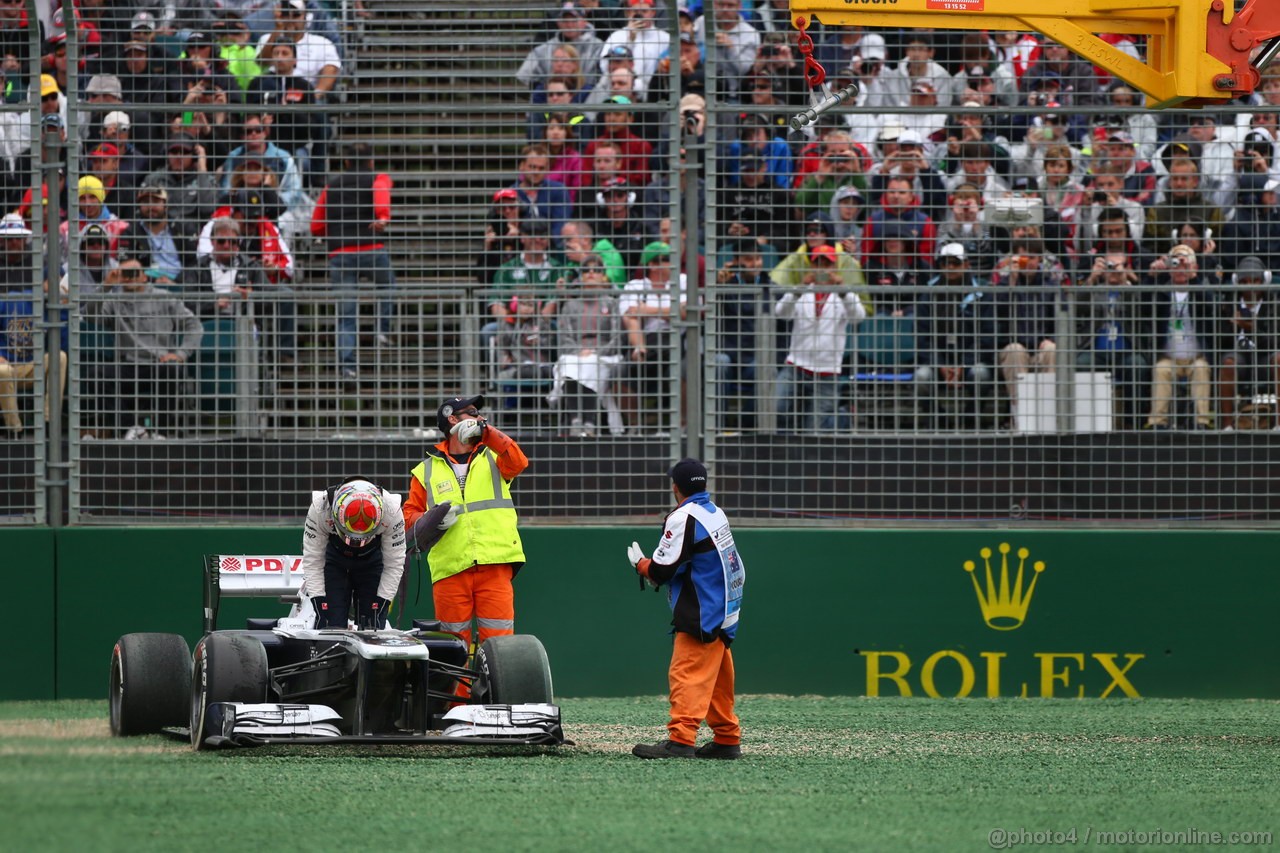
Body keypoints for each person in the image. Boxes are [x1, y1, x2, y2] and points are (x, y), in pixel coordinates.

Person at [403, 395, 529, 685]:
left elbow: (519, 461)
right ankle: (457, 711)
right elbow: (409, 516)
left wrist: (489, 433)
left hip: (495, 562)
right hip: (450, 567)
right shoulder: (425, 471)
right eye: (471, 412)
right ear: (451, 419)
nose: (478, 417)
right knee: (453, 645)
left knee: (498, 644)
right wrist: (431, 519)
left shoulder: (494, 454)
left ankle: (498, 705)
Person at [626, 457, 745, 760]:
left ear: (675, 487)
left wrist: (641, 565)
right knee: (717, 677)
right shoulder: (715, 512)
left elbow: (663, 570)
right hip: (725, 606)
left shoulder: (683, 517)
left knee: (687, 673)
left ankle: (680, 739)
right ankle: (727, 739)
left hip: (701, 610)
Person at [82, 255, 204, 438]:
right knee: (95, 374)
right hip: (127, 366)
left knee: (174, 370)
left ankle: (160, 433)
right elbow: (90, 315)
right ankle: (131, 429)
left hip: (159, 363)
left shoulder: (164, 298)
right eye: (125, 273)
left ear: (144, 276)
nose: (130, 277)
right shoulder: (114, 299)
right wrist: (106, 286)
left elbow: (194, 325)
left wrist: (180, 354)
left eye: (134, 273)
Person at [310, 143, 396, 378]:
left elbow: (315, 226)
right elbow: (380, 191)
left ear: (346, 162)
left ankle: (347, 367)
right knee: (387, 285)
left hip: (340, 254)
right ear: (370, 162)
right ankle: (382, 330)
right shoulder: (377, 177)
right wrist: (382, 216)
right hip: (371, 248)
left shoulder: (331, 186)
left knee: (346, 314)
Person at [773, 243, 867, 431]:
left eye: (827, 264)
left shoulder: (844, 294)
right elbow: (781, 312)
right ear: (811, 267)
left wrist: (843, 290)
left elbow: (859, 317)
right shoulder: (802, 291)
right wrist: (799, 288)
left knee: (814, 430)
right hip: (796, 367)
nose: (822, 268)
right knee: (776, 408)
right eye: (817, 263)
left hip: (827, 373)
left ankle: (842, 416)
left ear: (835, 268)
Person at [300, 477, 407, 629]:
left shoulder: (392, 511)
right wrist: (318, 598)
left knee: (373, 625)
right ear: (336, 515)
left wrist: (384, 600)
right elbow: (313, 559)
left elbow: (395, 562)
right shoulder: (320, 508)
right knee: (330, 624)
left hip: (371, 562)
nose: (356, 542)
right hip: (335, 562)